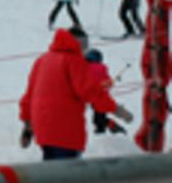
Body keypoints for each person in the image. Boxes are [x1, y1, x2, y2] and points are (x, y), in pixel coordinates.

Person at [19, 26, 133, 160]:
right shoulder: (74, 61)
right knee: (67, 174)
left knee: (51, 172)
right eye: (84, 46)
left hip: (43, 130)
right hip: (66, 131)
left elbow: (28, 97)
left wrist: (28, 126)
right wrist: (117, 110)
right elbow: (90, 92)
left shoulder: (42, 60)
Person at [85, 49, 126, 135]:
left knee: (98, 120)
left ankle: (107, 131)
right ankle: (106, 130)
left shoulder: (87, 68)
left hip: (99, 100)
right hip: (102, 99)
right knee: (99, 119)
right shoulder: (102, 68)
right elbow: (108, 82)